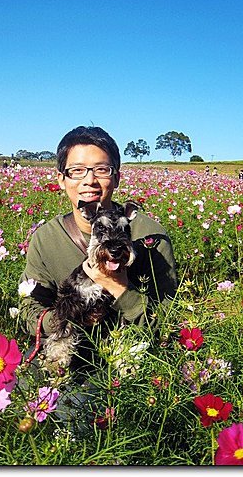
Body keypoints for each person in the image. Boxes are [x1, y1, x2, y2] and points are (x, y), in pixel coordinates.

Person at [19, 126, 177, 353]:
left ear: (117, 178)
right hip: (65, 346)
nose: (89, 180)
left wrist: (119, 288)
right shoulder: (46, 239)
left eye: (102, 169)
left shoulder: (151, 237)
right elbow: (28, 306)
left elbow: (167, 318)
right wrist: (65, 322)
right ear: (61, 179)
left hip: (134, 351)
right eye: (77, 170)